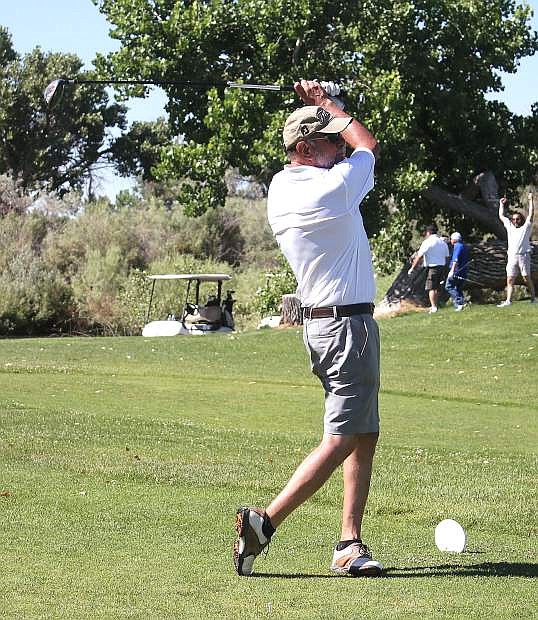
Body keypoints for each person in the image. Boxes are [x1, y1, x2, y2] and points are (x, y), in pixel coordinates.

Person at [233, 79, 383, 577]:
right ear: (302, 147)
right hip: (345, 328)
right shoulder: (332, 188)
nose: (337, 145)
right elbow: (366, 143)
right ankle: (264, 521)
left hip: (331, 326)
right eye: (327, 140)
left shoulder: (284, 186)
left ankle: (349, 543)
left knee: (364, 432)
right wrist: (327, 104)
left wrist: (328, 108)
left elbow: (348, 141)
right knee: (343, 437)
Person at [497, 194, 536, 306]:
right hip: (512, 256)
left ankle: (534, 299)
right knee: (510, 279)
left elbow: (531, 214)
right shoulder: (509, 226)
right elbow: (501, 215)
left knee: (526, 278)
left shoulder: (526, 227)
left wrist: (530, 200)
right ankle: (508, 300)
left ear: (521, 220)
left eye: (517, 219)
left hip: (523, 256)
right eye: (513, 219)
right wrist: (501, 204)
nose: (515, 221)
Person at [407, 224, 449, 313]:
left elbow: (419, 256)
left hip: (432, 267)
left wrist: (412, 268)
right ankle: (436, 305)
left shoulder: (428, 242)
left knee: (431, 288)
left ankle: (434, 307)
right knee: (437, 288)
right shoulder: (442, 242)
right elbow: (446, 256)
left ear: (428, 232)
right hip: (442, 266)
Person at [445, 232, 470, 311]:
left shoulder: (457, 246)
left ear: (454, 240)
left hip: (457, 270)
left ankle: (460, 303)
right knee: (458, 288)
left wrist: (452, 271)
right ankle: (462, 304)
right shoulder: (463, 246)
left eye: (451, 239)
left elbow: (456, 260)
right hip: (463, 271)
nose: (451, 241)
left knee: (449, 286)